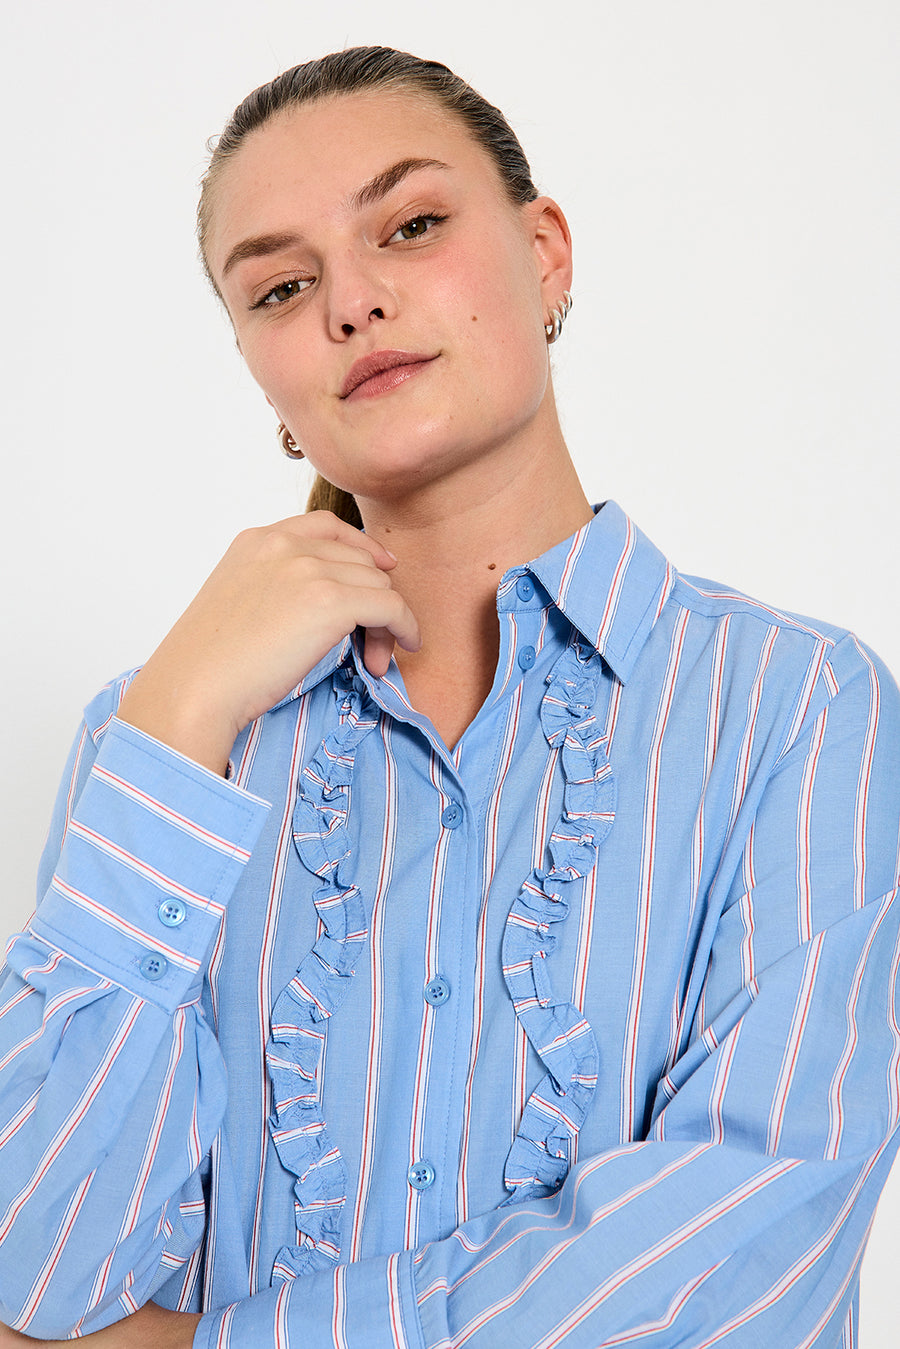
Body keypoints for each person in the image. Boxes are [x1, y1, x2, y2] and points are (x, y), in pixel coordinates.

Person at [1, 44, 899, 1349]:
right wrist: (179, 716)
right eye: (281, 287)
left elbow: (740, 1270)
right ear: (263, 380)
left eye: (411, 226)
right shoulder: (157, 741)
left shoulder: (800, 710)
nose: (352, 302)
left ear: (546, 255)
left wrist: (202, 1345)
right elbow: (36, 1274)